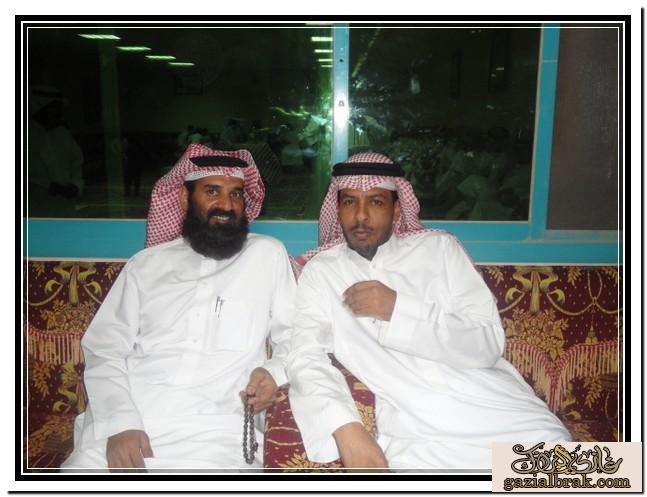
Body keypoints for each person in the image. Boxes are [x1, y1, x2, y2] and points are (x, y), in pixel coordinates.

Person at [287, 152, 571, 471]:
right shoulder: (322, 272)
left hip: (504, 415)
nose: (361, 215)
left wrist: (397, 308)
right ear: (337, 208)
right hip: (418, 438)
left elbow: (487, 344)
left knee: (596, 477)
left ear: (397, 209)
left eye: (376, 202)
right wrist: (347, 430)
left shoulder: (440, 249)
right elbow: (304, 356)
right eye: (350, 202)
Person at [61, 144, 296, 471]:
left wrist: (274, 372)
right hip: (135, 421)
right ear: (185, 198)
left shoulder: (267, 255)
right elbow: (105, 348)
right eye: (212, 191)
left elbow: (297, 336)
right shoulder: (146, 264)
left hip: (220, 432)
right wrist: (120, 424)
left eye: (236, 194)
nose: (227, 205)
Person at [28, 85, 84, 217]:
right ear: (41, 108)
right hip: (35, 209)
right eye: (54, 108)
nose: (59, 113)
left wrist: (76, 185)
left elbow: (76, 161)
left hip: (65, 208)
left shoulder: (62, 133)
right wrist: (50, 186)